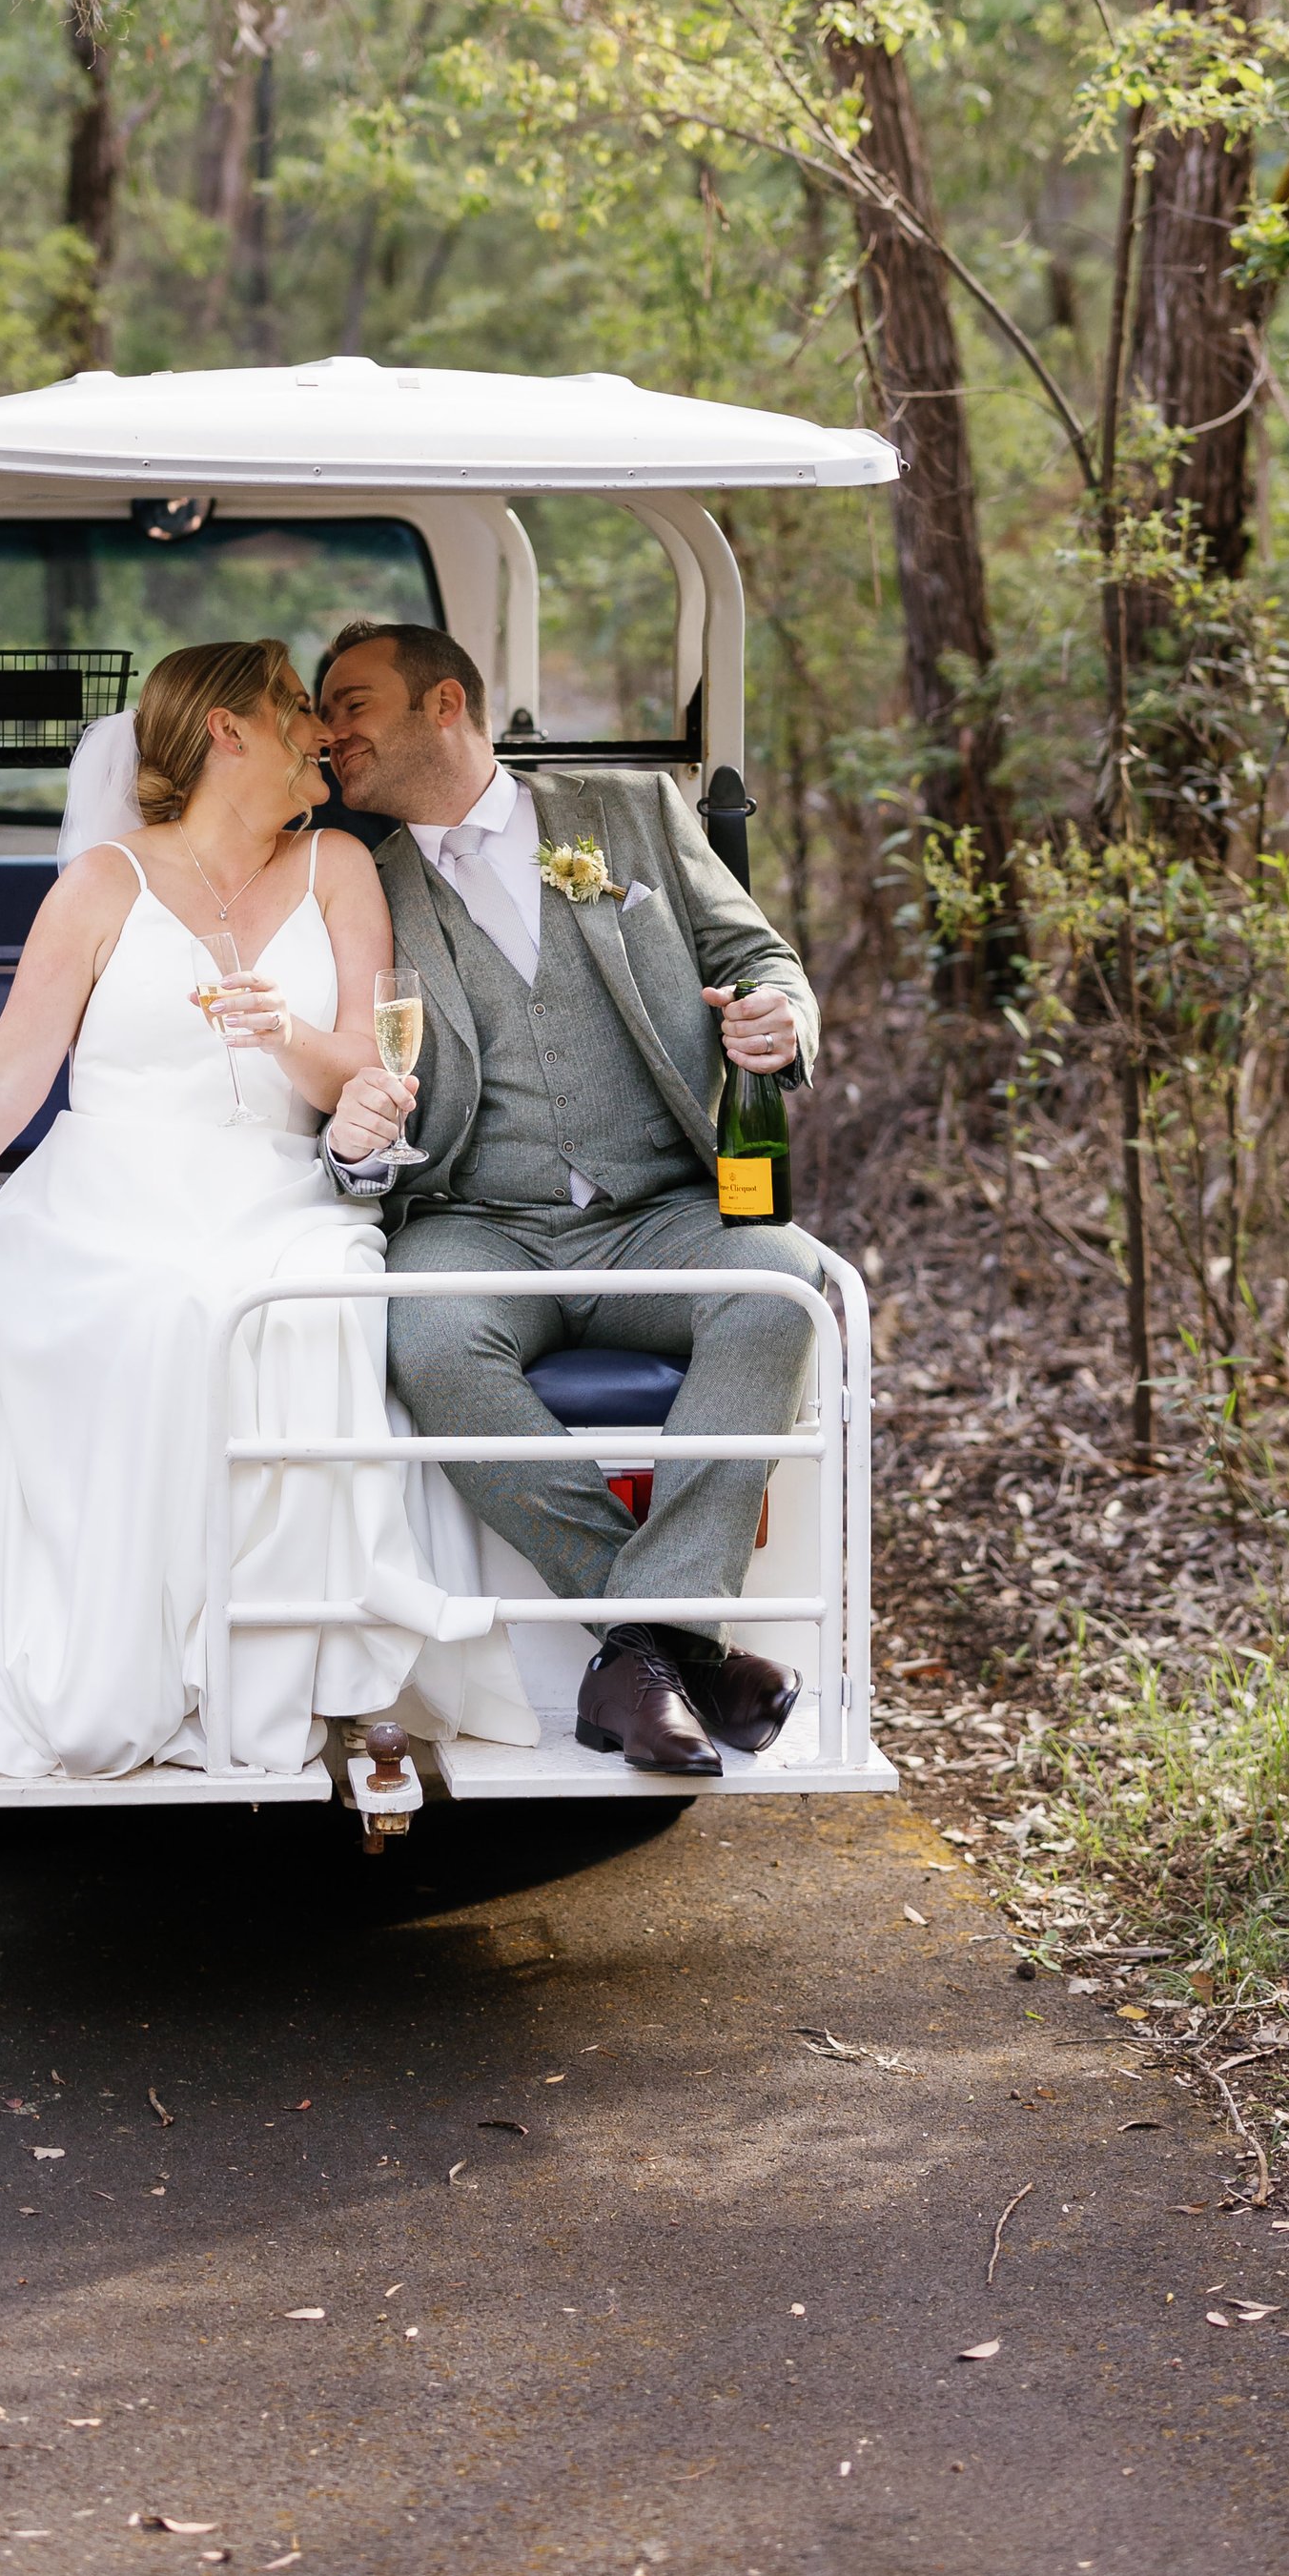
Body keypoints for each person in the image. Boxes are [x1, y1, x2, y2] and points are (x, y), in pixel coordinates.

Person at [0, 636, 527, 1783]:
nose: (321, 732)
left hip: (281, 1192)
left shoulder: (338, 864)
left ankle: (270, 1666)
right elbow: (4, 1079)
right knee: (105, 1301)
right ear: (225, 731)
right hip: (102, 1191)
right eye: (297, 706)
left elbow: (373, 1066)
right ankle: (118, 1655)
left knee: (289, 1306)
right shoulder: (101, 883)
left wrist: (279, 1034)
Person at [316, 619, 821, 1779]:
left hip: (660, 1208)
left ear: (445, 705)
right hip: (474, 1218)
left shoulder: (633, 811)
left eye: (353, 703)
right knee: (425, 1330)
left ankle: (636, 1651)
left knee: (782, 1288)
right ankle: (672, 1649)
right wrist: (356, 1149)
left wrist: (780, 1019)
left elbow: (763, 959)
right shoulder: (358, 878)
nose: (329, 731)